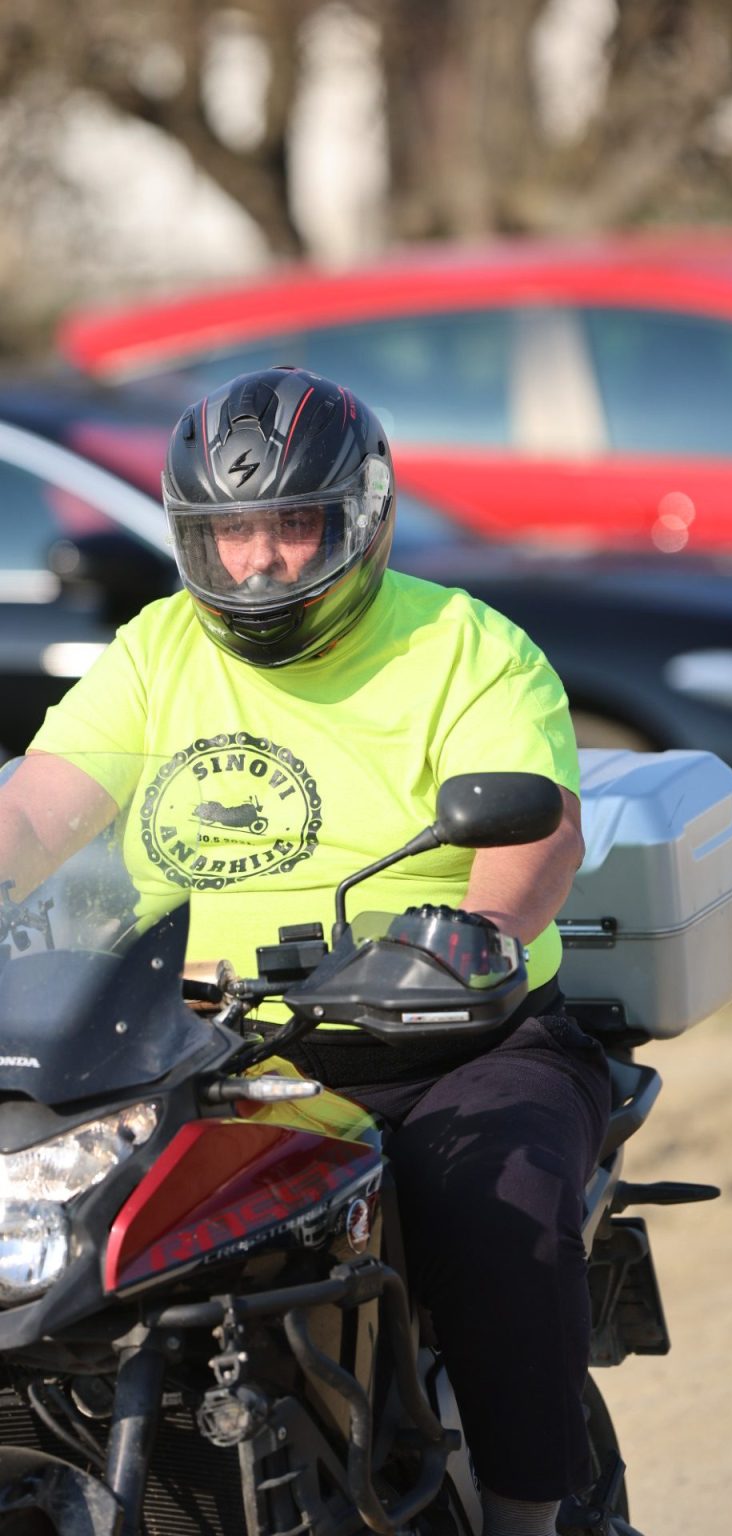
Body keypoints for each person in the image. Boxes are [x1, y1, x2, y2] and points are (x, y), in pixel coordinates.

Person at [0, 366, 611, 1532]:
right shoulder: (158, 649)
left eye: (292, 525)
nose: (259, 563)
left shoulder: (464, 645)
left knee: (499, 1208)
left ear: (364, 517)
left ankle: (531, 1516)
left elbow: (535, 832)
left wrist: (478, 935)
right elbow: (35, 811)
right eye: (228, 535)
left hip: (439, 1043)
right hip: (184, 1045)